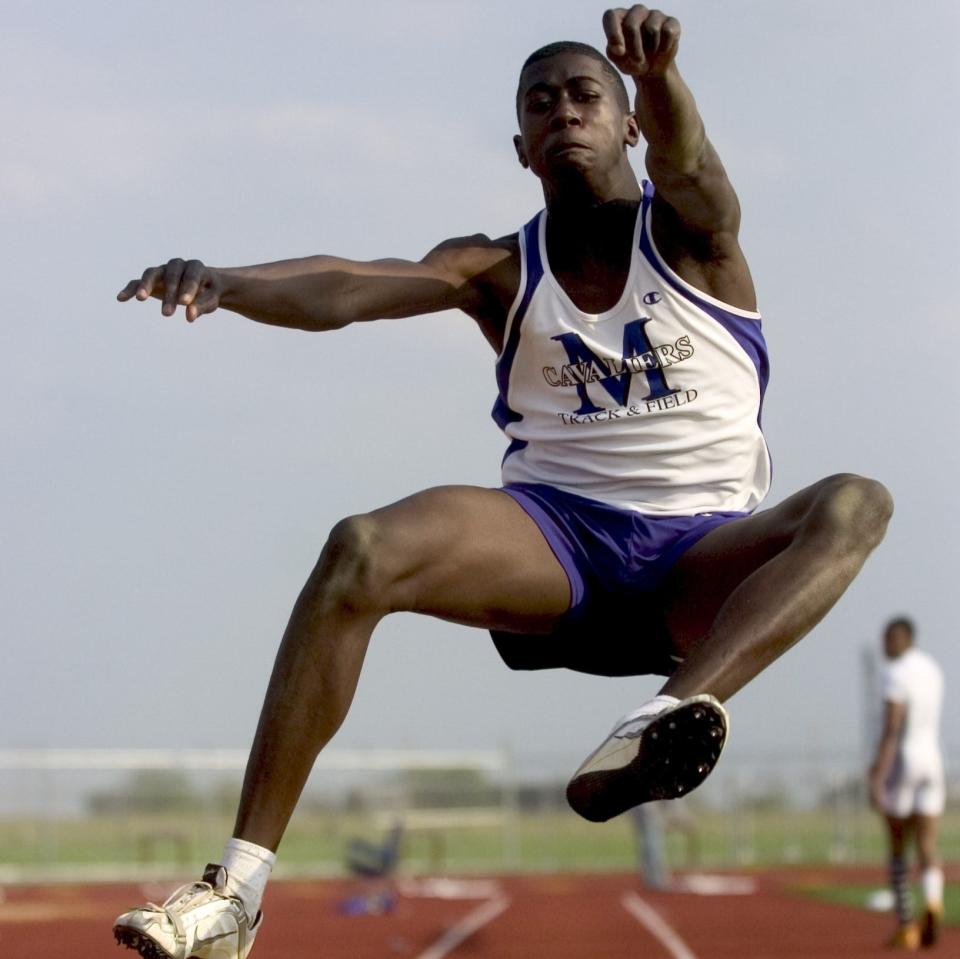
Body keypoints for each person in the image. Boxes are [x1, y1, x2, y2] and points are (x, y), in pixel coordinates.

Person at [113, 7, 893, 958]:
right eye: (540, 102)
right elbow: (352, 285)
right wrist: (229, 281)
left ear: (628, 122)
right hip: (554, 543)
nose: (563, 110)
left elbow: (693, 163)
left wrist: (663, 74)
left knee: (857, 501)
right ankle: (235, 891)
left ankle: (664, 720)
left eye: (584, 94)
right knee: (361, 547)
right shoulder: (495, 268)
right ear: (520, 145)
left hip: (701, 555)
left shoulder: (695, 235)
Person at [869, 617, 945, 950]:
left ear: (902, 638)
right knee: (927, 844)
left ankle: (906, 925)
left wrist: (877, 775)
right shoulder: (932, 669)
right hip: (933, 760)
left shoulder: (895, 673)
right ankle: (933, 899)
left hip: (905, 763)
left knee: (898, 847)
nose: (884, 646)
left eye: (888, 639)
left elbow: (892, 729)